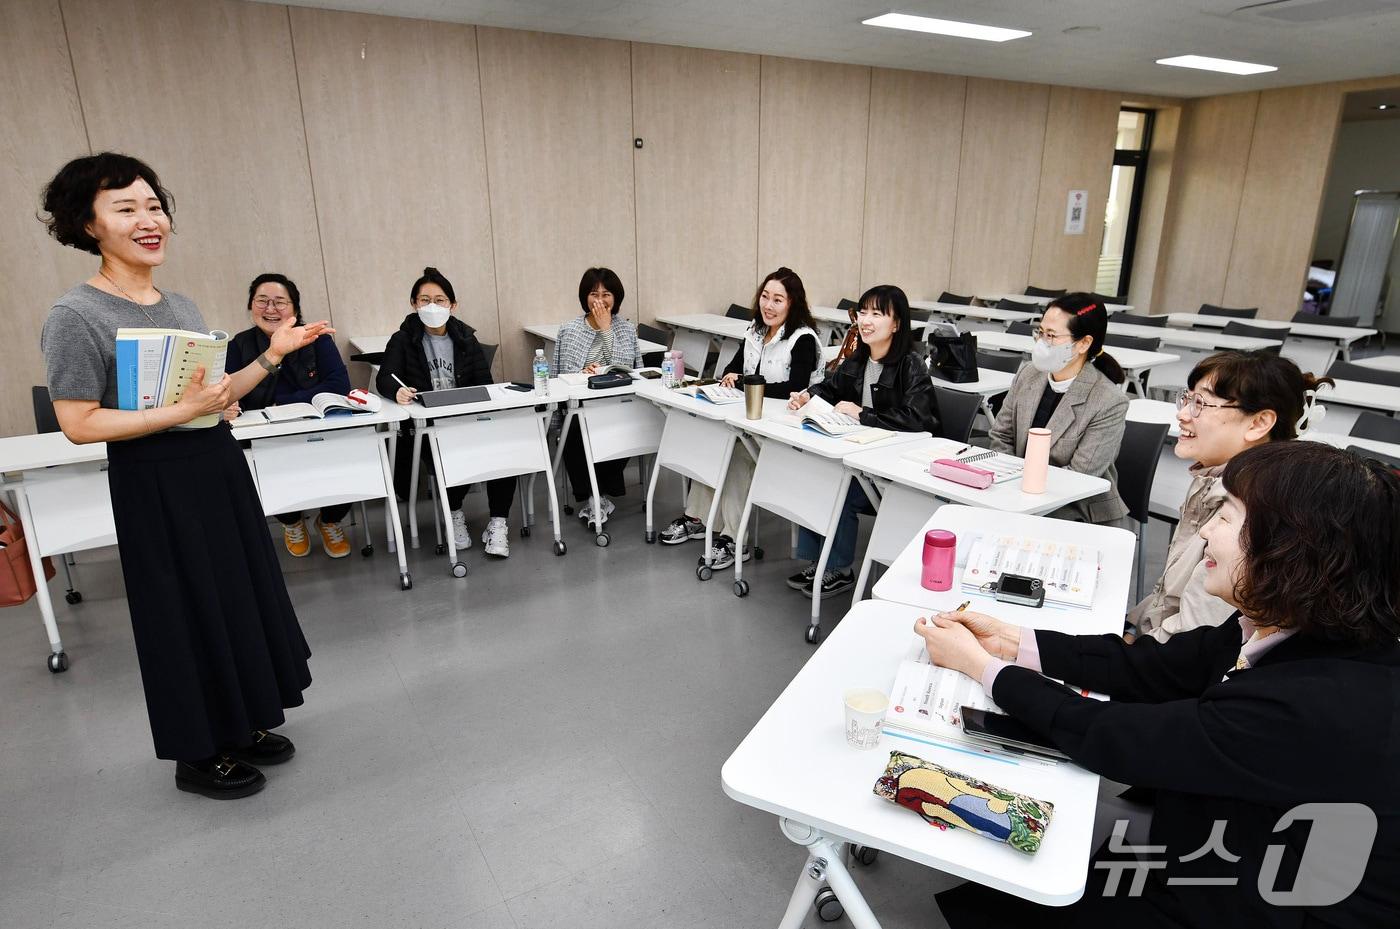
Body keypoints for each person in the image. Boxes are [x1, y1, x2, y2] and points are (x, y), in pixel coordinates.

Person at [920, 440, 1400, 928]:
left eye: (1229, 517)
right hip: (1241, 847)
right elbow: (1156, 668)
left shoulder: (1313, 703)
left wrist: (983, 669)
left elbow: (1117, 738)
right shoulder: (1289, 624)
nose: (1207, 532)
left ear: (1294, 550)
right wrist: (1011, 640)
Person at [38, 153, 325, 799]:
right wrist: (185, 409)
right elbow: (78, 422)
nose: (149, 220)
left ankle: (243, 721)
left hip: (214, 467)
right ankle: (197, 753)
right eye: (127, 208)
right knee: (181, 612)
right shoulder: (75, 315)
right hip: (154, 483)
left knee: (235, 597)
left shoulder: (182, 303)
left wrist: (271, 358)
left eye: (154, 205)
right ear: (88, 224)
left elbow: (218, 397)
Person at [1130, 350, 1332, 642]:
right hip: (1157, 643)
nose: (1183, 414)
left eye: (1200, 403)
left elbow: (1191, 639)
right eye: (1186, 399)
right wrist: (1131, 626)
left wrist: (1128, 644)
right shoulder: (1213, 476)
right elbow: (1167, 598)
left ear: (1259, 423)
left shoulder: (1252, 514)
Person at [658, 268, 821, 567]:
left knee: (736, 453)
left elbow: (794, 389)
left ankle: (735, 538)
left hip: (786, 432)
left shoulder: (803, 339)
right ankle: (697, 517)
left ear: (793, 304)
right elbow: (734, 368)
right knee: (713, 440)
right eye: (765, 297)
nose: (768, 305)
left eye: (778, 300)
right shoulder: (755, 330)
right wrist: (731, 377)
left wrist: (747, 383)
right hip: (752, 420)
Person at [785, 284, 937, 597]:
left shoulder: (911, 365)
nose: (866, 320)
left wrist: (862, 413)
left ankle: (839, 569)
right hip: (867, 458)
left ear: (896, 324)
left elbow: (917, 418)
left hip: (897, 472)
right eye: (863, 312)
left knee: (839, 489)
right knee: (819, 479)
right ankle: (821, 561)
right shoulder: (859, 358)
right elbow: (829, 388)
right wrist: (805, 397)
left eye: (877, 314)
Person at [376, 267, 518, 557]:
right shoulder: (402, 340)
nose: (431, 306)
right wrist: (397, 392)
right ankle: (454, 515)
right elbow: (385, 379)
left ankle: (498, 522)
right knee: (451, 456)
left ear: (453, 305)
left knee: (505, 451)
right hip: (428, 429)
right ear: (414, 304)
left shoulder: (465, 338)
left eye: (439, 300)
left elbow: (485, 384)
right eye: (424, 299)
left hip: (468, 421)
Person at [224, 273, 353, 559]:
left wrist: (279, 402)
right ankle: (291, 521)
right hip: (265, 437)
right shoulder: (239, 346)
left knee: (351, 456)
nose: (270, 309)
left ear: (295, 309)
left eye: (280, 302)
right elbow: (232, 392)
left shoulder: (316, 339)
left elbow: (339, 386)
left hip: (320, 429)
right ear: (251, 306)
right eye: (262, 301)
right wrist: (228, 406)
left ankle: (330, 520)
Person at [988, 293, 1129, 525]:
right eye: (1040, 333)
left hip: (1077, 509)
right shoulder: (1029, 374)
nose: (1042, 342)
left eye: (1052, 336)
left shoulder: (1108, 401)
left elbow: (1078, 477)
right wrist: (1012, 486)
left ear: (1084, 343)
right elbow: (1001, 434)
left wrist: (1022, 494)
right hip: (1016, 493)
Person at [553, 267, 641, 528]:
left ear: (616, 298)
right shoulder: (569, 330)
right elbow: (561, 375)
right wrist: (583, 373)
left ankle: (597, 496)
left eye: (606, 294)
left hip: (618, 407)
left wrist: (605, 330)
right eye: (594, 294)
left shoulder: (625, 329)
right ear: (585, 297)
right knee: (574, 429)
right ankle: (595, 497)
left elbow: (626, 368)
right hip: (581, 407)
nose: (600, 300)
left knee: (622, 430)